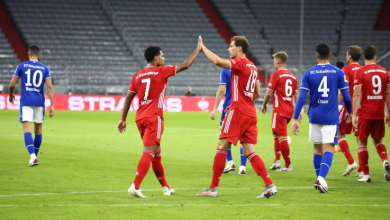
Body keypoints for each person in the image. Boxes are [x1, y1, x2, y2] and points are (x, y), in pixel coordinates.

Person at [117, 37, 202, 198]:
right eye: (162, 56)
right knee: (149, 152)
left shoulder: (137, 76)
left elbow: (128, 98)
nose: (164, 58)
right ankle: (135, 185)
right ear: (155, 58)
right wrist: (198, 50)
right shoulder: (161, 71)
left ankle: (166, 187)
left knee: (156, 154)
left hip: (140, 118)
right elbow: (186, 65)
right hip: (154, 117)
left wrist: (122, 118)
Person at [197, 36, 277, 198]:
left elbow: (219, 62)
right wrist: (245, 101)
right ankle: (269, 185)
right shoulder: (253, 67)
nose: (229, 49)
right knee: (249, 151)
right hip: (250, 112)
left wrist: (202, 48)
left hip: (237, 111)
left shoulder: (240, 63)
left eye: (231, 46)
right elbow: (257, 92)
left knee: (221, 146)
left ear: (239, 49)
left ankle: (213, 189)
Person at [292, 43, 352, 193]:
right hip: (330, 116)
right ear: (330, 55)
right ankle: (321, 179)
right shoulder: (338, 72)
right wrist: (351, 112)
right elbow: (347, 97)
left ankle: (319, 179)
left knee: (317, 149)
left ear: (316, 55)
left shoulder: (308, 73)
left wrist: (294, 118)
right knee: (329, 149)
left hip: (314, 115)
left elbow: (300, 98)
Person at [8, 45, 55, 166]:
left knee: (27, 131)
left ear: (28, 54)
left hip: (26, 102)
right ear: (39, 55)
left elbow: (12, 84)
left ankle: (33, 156)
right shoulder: (45, 68)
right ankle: (34, 157)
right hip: (39, 102)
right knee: (38, 130)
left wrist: (10, 94)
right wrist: (52, 105)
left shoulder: (22, 66)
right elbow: (49, 87)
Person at [352, 45, 390, 183]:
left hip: (365, 113)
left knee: (362, 142)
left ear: (363, 57)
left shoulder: (360, 72)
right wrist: (389, 112)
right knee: (378, 141)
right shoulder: (384, 72)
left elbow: (357, 94)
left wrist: (354, 115)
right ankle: (385, 161)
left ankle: (366, 175)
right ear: (375, 56)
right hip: (379, 113)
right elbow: (388, 93)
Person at [262, 51, 301, 171]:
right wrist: (297, 111)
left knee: (282, 136)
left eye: (274, 61)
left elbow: (269, 93)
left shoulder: (275, 75)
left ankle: (288, 165)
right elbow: (296, 95)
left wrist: (264, 105)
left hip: (279, 110)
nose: (274, 63)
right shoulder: (293, 76)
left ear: (278, 61)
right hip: (289, 110)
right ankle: (277, 161)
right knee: (276, 135)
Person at [210, 68, 247, 175]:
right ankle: (242, 167)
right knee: (243, 138)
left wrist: (214, 108)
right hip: (245, 108)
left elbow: (221, 90)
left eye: (230, 49)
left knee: (224, 137)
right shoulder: (249, 68)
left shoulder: (226, 69)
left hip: (229, 107)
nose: (228, 49)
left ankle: (230, 162)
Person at [337, 46, 363, 176]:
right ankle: (362, 170)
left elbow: (344, 88)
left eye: (347, 55)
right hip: (362, 108)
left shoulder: (345, 69)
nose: (346, 57)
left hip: (349, 107)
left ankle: (351, 162)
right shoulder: (364, 70)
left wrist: (336, 103)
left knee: (339, 134)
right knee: (360, 139)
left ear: (350, 56)